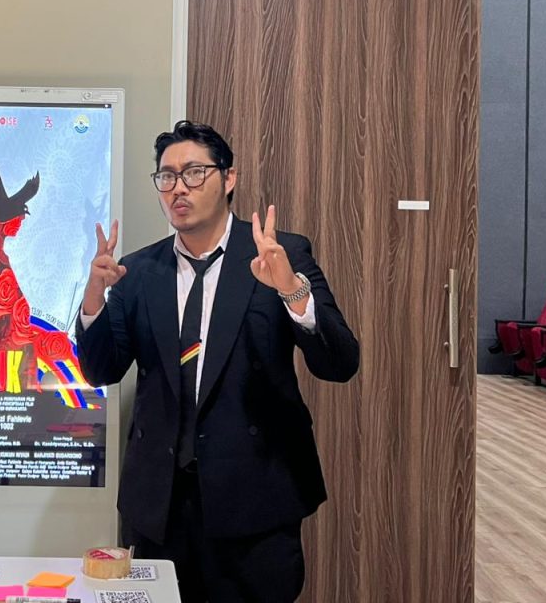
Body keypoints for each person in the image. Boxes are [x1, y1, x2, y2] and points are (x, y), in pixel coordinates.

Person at [77, 120, 360, 603]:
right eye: (167, 177)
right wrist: (93, 301)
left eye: (194, 173)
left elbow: (340, 363)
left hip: (255, 498)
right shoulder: (140, 271)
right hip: (162, 505)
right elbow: (101, 370)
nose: (178, 188)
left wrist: (291, 291)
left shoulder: (278, 255)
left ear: (228, 178)